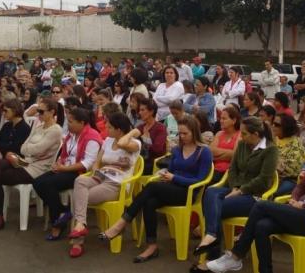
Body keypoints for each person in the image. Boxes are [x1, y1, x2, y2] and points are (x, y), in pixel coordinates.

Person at [205, 120, 305, 273]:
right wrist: (295, 198)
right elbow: (302, 185)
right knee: (262, 226)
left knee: (261, 205)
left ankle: (236, 254)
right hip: (302, 211)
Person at [99, 115, 212, 263]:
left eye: (185, 133)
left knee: (151, 187)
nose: (182, 136)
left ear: (195, 132)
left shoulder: (203, 152)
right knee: (149, 201)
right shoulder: (178, 150)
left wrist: (174, 178)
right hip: (171, 188)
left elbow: (201, 180)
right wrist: (165, 175)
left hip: (189, 192)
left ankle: (121, 224)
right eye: (180, 133)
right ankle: (152, 246)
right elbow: (171, 170)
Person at [0, 97, 63, 231]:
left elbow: (34, 149)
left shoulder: (55, 130)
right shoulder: (38, 126)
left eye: (41, 111)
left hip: (38, 169)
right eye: (38, 111)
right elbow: (23, 147)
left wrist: (30, 149)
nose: (38, 114)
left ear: (52, 112)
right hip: (26, 162)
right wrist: (30, 149)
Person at [193, 117, 279, 265]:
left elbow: (264, 180)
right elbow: (232, 169)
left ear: (256, 134)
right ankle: (212, 237)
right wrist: (234, 187)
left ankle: (212, 255)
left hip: (255, 197)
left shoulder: (270, 150)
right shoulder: (242, 145)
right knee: (210, 192)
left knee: (214, 208)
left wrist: (241, 190)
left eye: (244, 133)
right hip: (234, 190)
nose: (241, 136)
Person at [68, 112, 141, 257]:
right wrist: (96, 172)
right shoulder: (107, 140)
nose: (106, 128)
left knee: (81, 197)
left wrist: (134, 131)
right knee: (79, 181)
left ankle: (78, 241)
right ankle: (81, 224)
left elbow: (121, 143)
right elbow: (97, 162)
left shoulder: (134, 143)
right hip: (101, 176)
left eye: (109, 127)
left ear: (119, 130)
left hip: (116, 184)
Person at [34, 106, 103, 240]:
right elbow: (65, 154)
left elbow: (87, 164)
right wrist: (58, 163)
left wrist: (63, 169)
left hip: (80, 174)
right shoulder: (72, 135)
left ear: (82, 122)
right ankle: (62, 211)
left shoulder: (92, 136)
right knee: (37, 182)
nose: (68, 124)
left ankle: (58, 224)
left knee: (48, 185)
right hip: (65, 169)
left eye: (71, 122)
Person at [272, 114, 305, 196]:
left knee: (274, 193)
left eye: (277, 125)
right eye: (273, 123)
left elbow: (292, 170)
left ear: (286, 127)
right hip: (271, 176)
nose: (273, 126)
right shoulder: (274, 139)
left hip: (289, 179)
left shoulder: (295, 145)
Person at [209, 106, 241, 183]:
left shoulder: (240, 135)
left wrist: (216, 155)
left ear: (234, 120)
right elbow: (210, 152)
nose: (221, 121)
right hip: (212, 170)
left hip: (228, 173)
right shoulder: (219, 134)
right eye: (220, 118)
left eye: (224, 119)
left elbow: (235, 155)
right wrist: (228, 154)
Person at [135, 98, 167, 175]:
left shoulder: (160, 128)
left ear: (151, 111)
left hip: (153, 162)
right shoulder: (141, 127)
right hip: (139, 159)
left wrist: (146, 141)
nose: (140, 112)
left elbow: (158, 150)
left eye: (142, 110)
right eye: (139, 110)